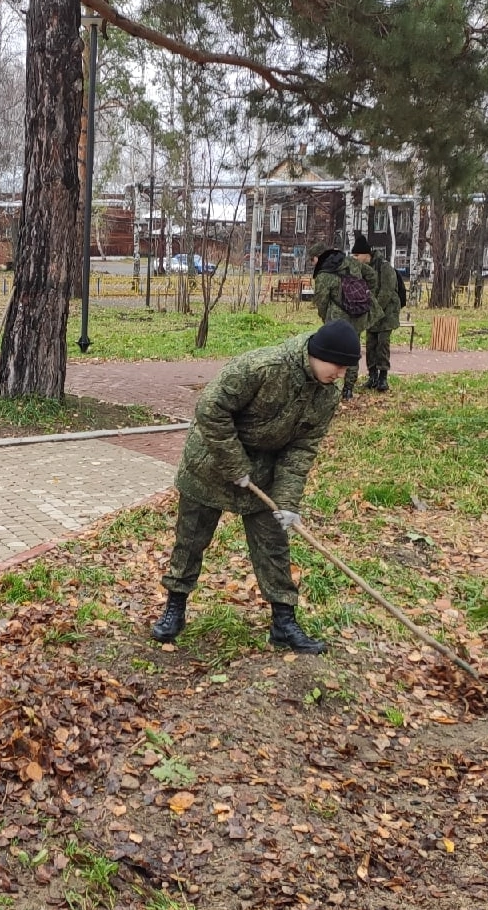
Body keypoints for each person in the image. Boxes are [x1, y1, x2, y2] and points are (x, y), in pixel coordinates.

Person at [148, 320, 360, 656]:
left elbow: (302, 449)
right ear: (317, 355)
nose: (340, 374)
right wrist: (235, 465)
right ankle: (175, 608)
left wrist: (287, 502)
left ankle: (284, 623)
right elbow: (211, 409)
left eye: (346, 368)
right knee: (190, 540)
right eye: (338, 366)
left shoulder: (327, 393)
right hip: (211, 463)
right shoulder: (263, 366)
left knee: (273, 546)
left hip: (264, 474)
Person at [311, 243, 378, 398]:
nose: (313, 264)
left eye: (313, 260)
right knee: (353, 349)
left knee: (331, 350)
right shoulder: (351, 261)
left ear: (318, 257)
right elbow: (372, 276)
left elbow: (321, 301)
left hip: (337, 317)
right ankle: (348, 389)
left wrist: (324, 316)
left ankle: (328, 385)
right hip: (358, 314)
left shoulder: (323, 275)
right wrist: (365, 293)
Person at [357, 234, 403, 392]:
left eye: (357, 255)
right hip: (371, 312)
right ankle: (372, 376)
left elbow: (387, 291)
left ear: (366, 254)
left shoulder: (384, 266)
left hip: (386, 313)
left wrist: (374, 310)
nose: (355, 258)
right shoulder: (363, 270)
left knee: (382, 344)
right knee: (370, 345)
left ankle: (383, 377)